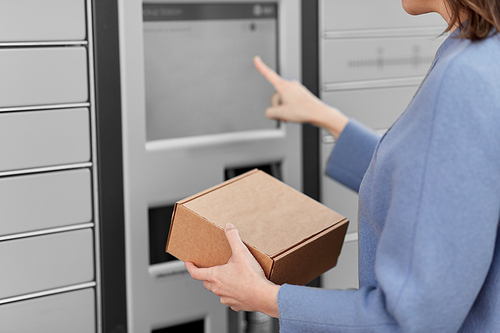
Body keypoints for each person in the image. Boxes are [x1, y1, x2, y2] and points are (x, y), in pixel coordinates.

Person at [186, 0, 500, 331]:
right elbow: (438, 189)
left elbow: (409, 322)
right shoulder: (484, 56)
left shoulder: (462, 76)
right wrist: (327, 118)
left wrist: (264, 297)